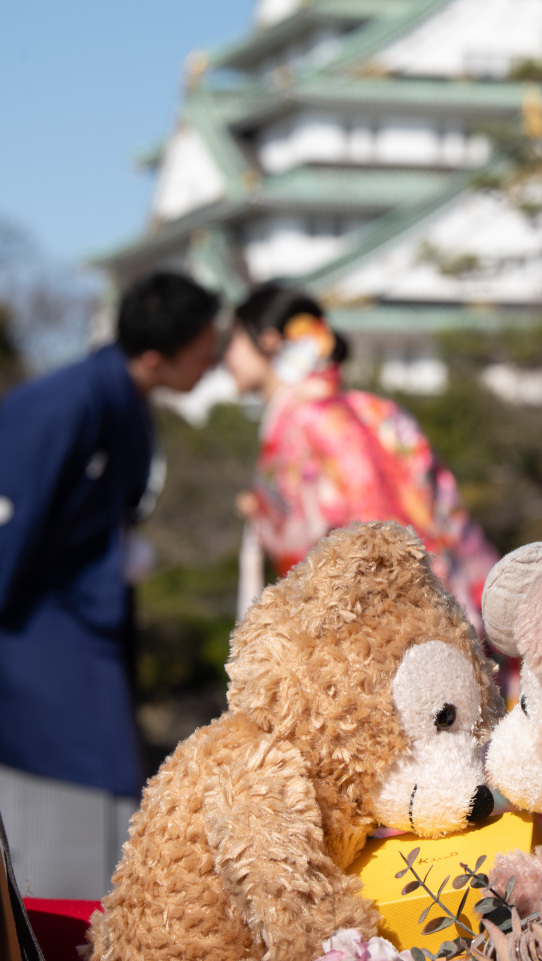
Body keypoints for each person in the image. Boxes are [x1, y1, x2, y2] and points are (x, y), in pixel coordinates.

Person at [0, 270, 219, 898]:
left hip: (79, 625)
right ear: (156, 355)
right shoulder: (62, 403)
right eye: (203, 351)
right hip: (36, 640)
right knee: (67, 827)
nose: (211, 362)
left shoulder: (116, 396)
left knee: (106, 814)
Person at [224, 284, 500, 640]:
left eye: (232, 341)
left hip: (374, 633)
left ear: (269, 341)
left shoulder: (307, 423)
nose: (225, 357)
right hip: (444, 609)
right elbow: (448, 513)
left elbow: (361, 524)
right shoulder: (373, 410)